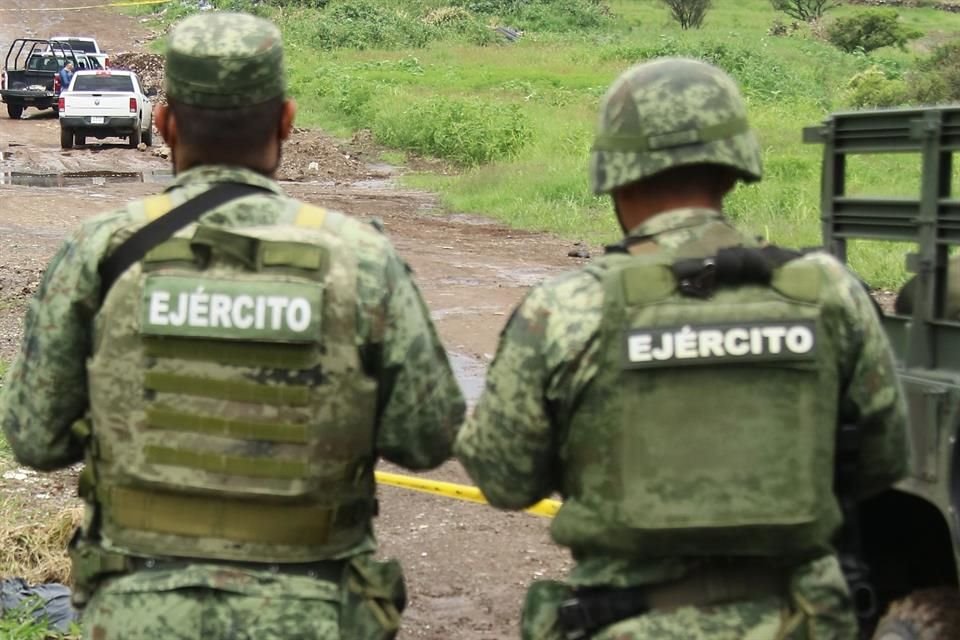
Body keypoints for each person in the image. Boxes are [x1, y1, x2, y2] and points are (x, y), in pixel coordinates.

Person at [0, 11, 465, 640]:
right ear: (286, 122)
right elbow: (429, 437)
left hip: (141, 613)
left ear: (163, 123)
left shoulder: (100, 252)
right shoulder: (360, 259)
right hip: (315, 613)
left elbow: (35, 438)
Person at [455, 58, 909, 640]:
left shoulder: (566, 308)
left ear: (613, 174)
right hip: (802, 621)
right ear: (732, 169)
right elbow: (884, 460)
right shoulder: (830, 293)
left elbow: (503, 477)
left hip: (623, 621)